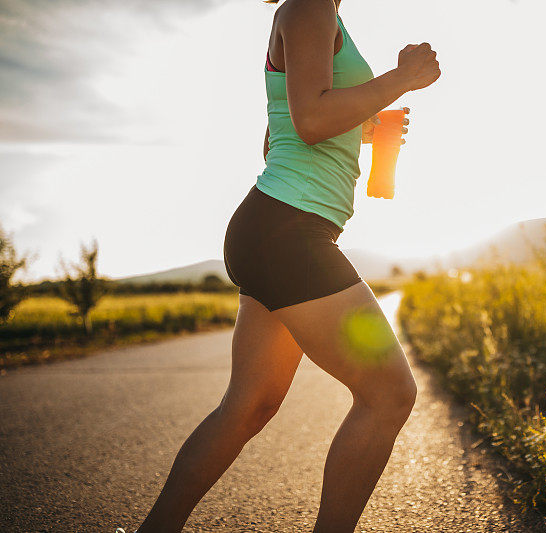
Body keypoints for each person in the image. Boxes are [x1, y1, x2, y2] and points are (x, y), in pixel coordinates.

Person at [135, 0, 440, 531]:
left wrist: (362, 130)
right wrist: (401, 78)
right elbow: (312, 120)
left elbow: (280, 134)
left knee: (249, 404)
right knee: (389, 394)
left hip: (276, 229)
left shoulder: (315, 14)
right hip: (288, 232)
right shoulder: (308, 8)